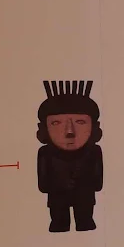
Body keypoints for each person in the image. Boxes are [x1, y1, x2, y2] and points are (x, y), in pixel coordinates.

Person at [36, 80, 103, 232]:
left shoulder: (94, 152)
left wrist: (82, 183)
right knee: (59, 224)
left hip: (85, 199)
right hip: (57, 200)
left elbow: (98, 183)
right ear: (44, 128)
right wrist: (61, 184)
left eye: (80, 122)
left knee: (85, 223)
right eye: (56, 123)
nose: (69, 131)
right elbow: (43, 185)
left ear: (94, 127)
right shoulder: (45, 154)